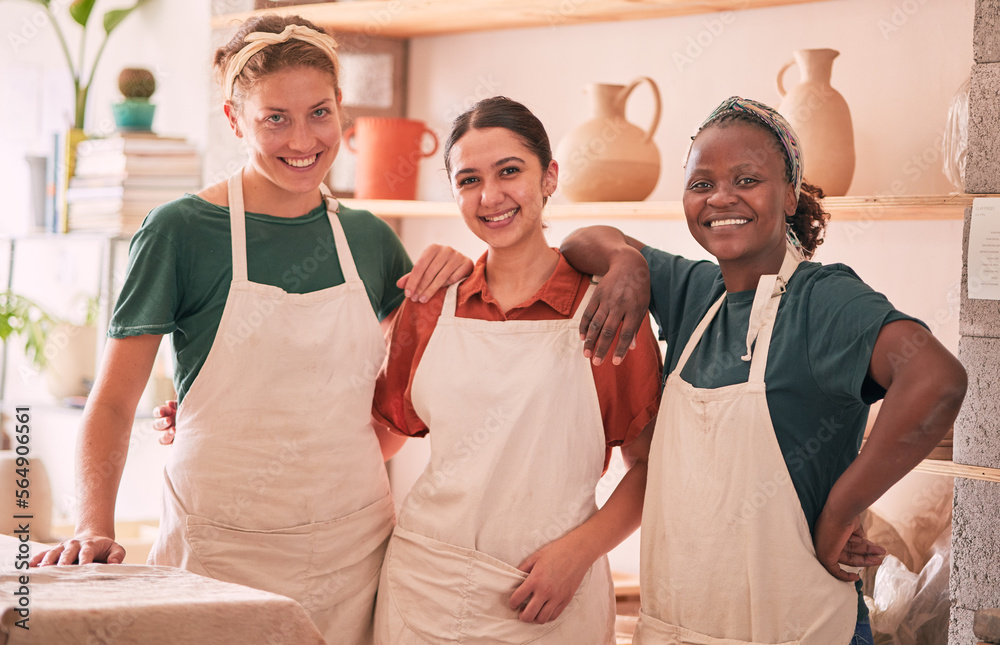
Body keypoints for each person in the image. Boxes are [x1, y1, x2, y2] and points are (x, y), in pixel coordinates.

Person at [31, 14, 470, 645]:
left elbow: (406, 402)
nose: (302, 138)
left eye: (319, 112)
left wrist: (457, 273)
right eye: (275, 118)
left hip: (357, 553)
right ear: (236, 121)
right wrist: (91, 526)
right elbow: (112, 402)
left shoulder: (369, 240)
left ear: (342, 108)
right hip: (218, 554)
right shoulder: (180, 232)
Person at [561, 96, 967, 645]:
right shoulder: (691, 291)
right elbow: (580, 241)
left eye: (746, 179)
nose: (720, 197)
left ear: (791, 193)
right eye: (701, 183)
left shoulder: (821, 301)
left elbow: (936, 380)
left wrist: (841, 511)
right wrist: (626, 260)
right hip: (679, 628)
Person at [369, 96, 663, 644]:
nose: (490, 196)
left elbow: (651, 468)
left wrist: (580, 552)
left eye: (510, 171)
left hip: (551, 593)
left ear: (549, 177)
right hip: (422, 585)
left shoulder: (607, 310)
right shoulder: (432, 303)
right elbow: (382, 435)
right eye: (468, 180)